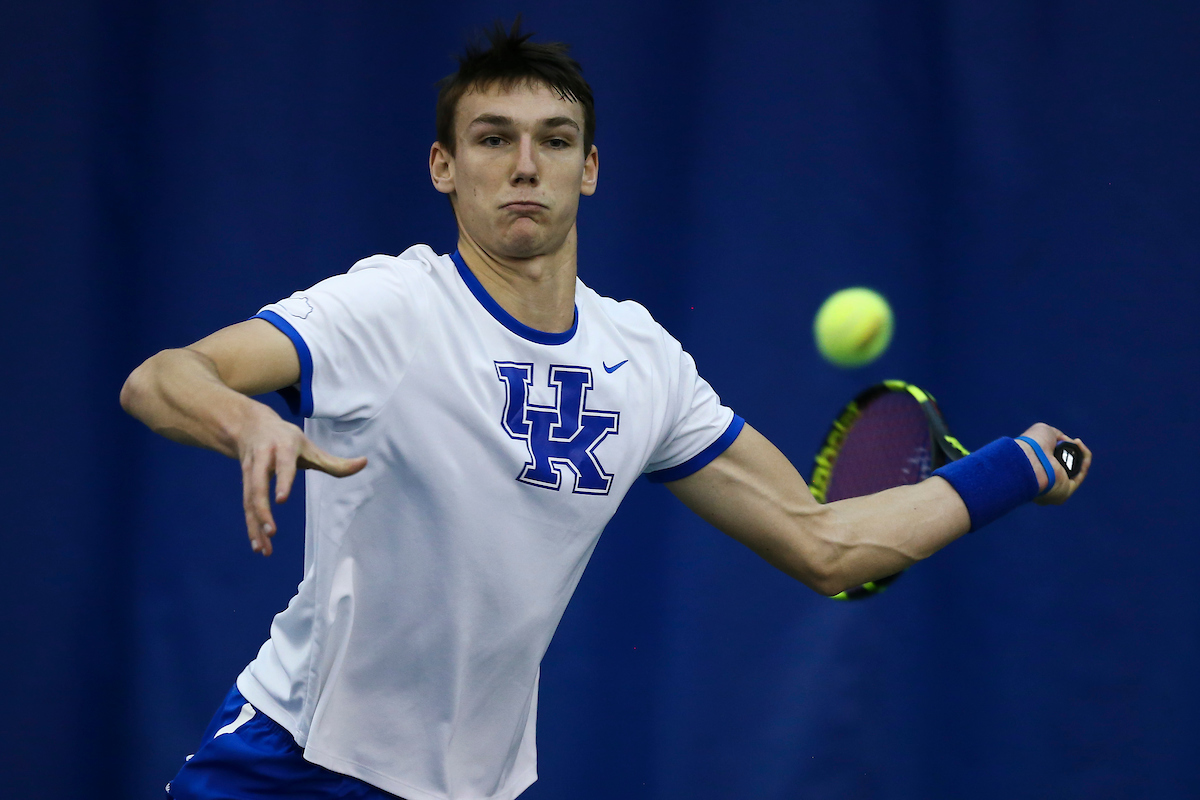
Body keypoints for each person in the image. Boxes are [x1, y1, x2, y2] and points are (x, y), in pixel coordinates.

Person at [120, 21, 1091, 800]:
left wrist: (1015, 464)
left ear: (589, 168)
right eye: (492, 139)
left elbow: (822, 542)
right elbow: (163, 375)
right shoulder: (388, 308)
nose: (524, 165)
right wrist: (243, 417)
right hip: (290, 760)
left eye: (554, 141)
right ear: (443, 167)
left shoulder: (644, 363)